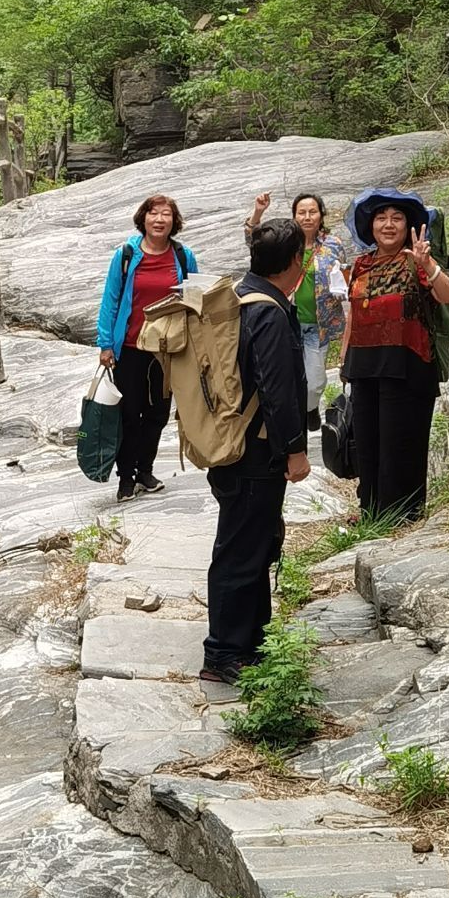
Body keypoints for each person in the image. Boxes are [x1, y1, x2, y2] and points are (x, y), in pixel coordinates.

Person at [201, 218, 310, 685]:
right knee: (242, 550)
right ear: (294, 262)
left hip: (233, 444)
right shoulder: (267, 309)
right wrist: (295, 450)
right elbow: (277, 388)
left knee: (253, 543)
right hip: (254, 450)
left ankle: (251, 641)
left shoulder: (240, 295)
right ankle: (224, 653)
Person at [341, 189, 449, 522]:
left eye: (397, 218)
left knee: (401, 441)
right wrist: (344, 361)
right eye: (381, 218)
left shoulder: (415, 260)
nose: (388, 225)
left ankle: (403, 513)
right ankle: (372, 511)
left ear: (408, 225)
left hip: (408, 365)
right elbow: (354, 314)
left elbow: (448, 295)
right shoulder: (361, 264)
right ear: (371, 226)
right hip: (364, 364)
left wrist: (428, 264)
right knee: (367, 441)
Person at [96, 193, 198, 503]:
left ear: (173, 221)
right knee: (129, 414)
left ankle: (146, 471)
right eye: (154, 213)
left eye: (166, 214)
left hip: (167, 350)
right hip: (129, 347)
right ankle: (125, 477)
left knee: (157, 414)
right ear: (143, 218)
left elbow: (194, 298)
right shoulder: (126, 255)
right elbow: (110, 299)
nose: (159, 219)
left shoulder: (183, 256)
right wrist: (105, 344)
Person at [245, 190, 348, 430]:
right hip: (285, 320)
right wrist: (259, 211)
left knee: (314, 382)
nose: (307, 217)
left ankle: (309, 407)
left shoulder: (333, 246)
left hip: (317, 325)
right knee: (283, 376)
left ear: (321, 216)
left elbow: (344, 279)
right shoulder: (285, 241)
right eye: (301, 212)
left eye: (313, 212)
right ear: (294, 216)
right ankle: (295, 421)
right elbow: (253, 240)